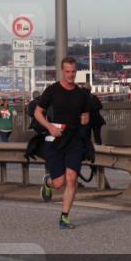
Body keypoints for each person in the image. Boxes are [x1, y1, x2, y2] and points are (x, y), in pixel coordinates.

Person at [34, 57, 91, 230]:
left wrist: (85, 119)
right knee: (59, 183)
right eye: (67, 72)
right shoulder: (52, 90)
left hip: (74, 140)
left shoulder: (82, 94)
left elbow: (86, 115)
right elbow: (38, 112)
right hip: (56, 139)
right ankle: (48, 182)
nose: (70, 75)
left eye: (73, 72)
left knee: (72, 178)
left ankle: (64, 217)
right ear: (62, 71)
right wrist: (50, 127)